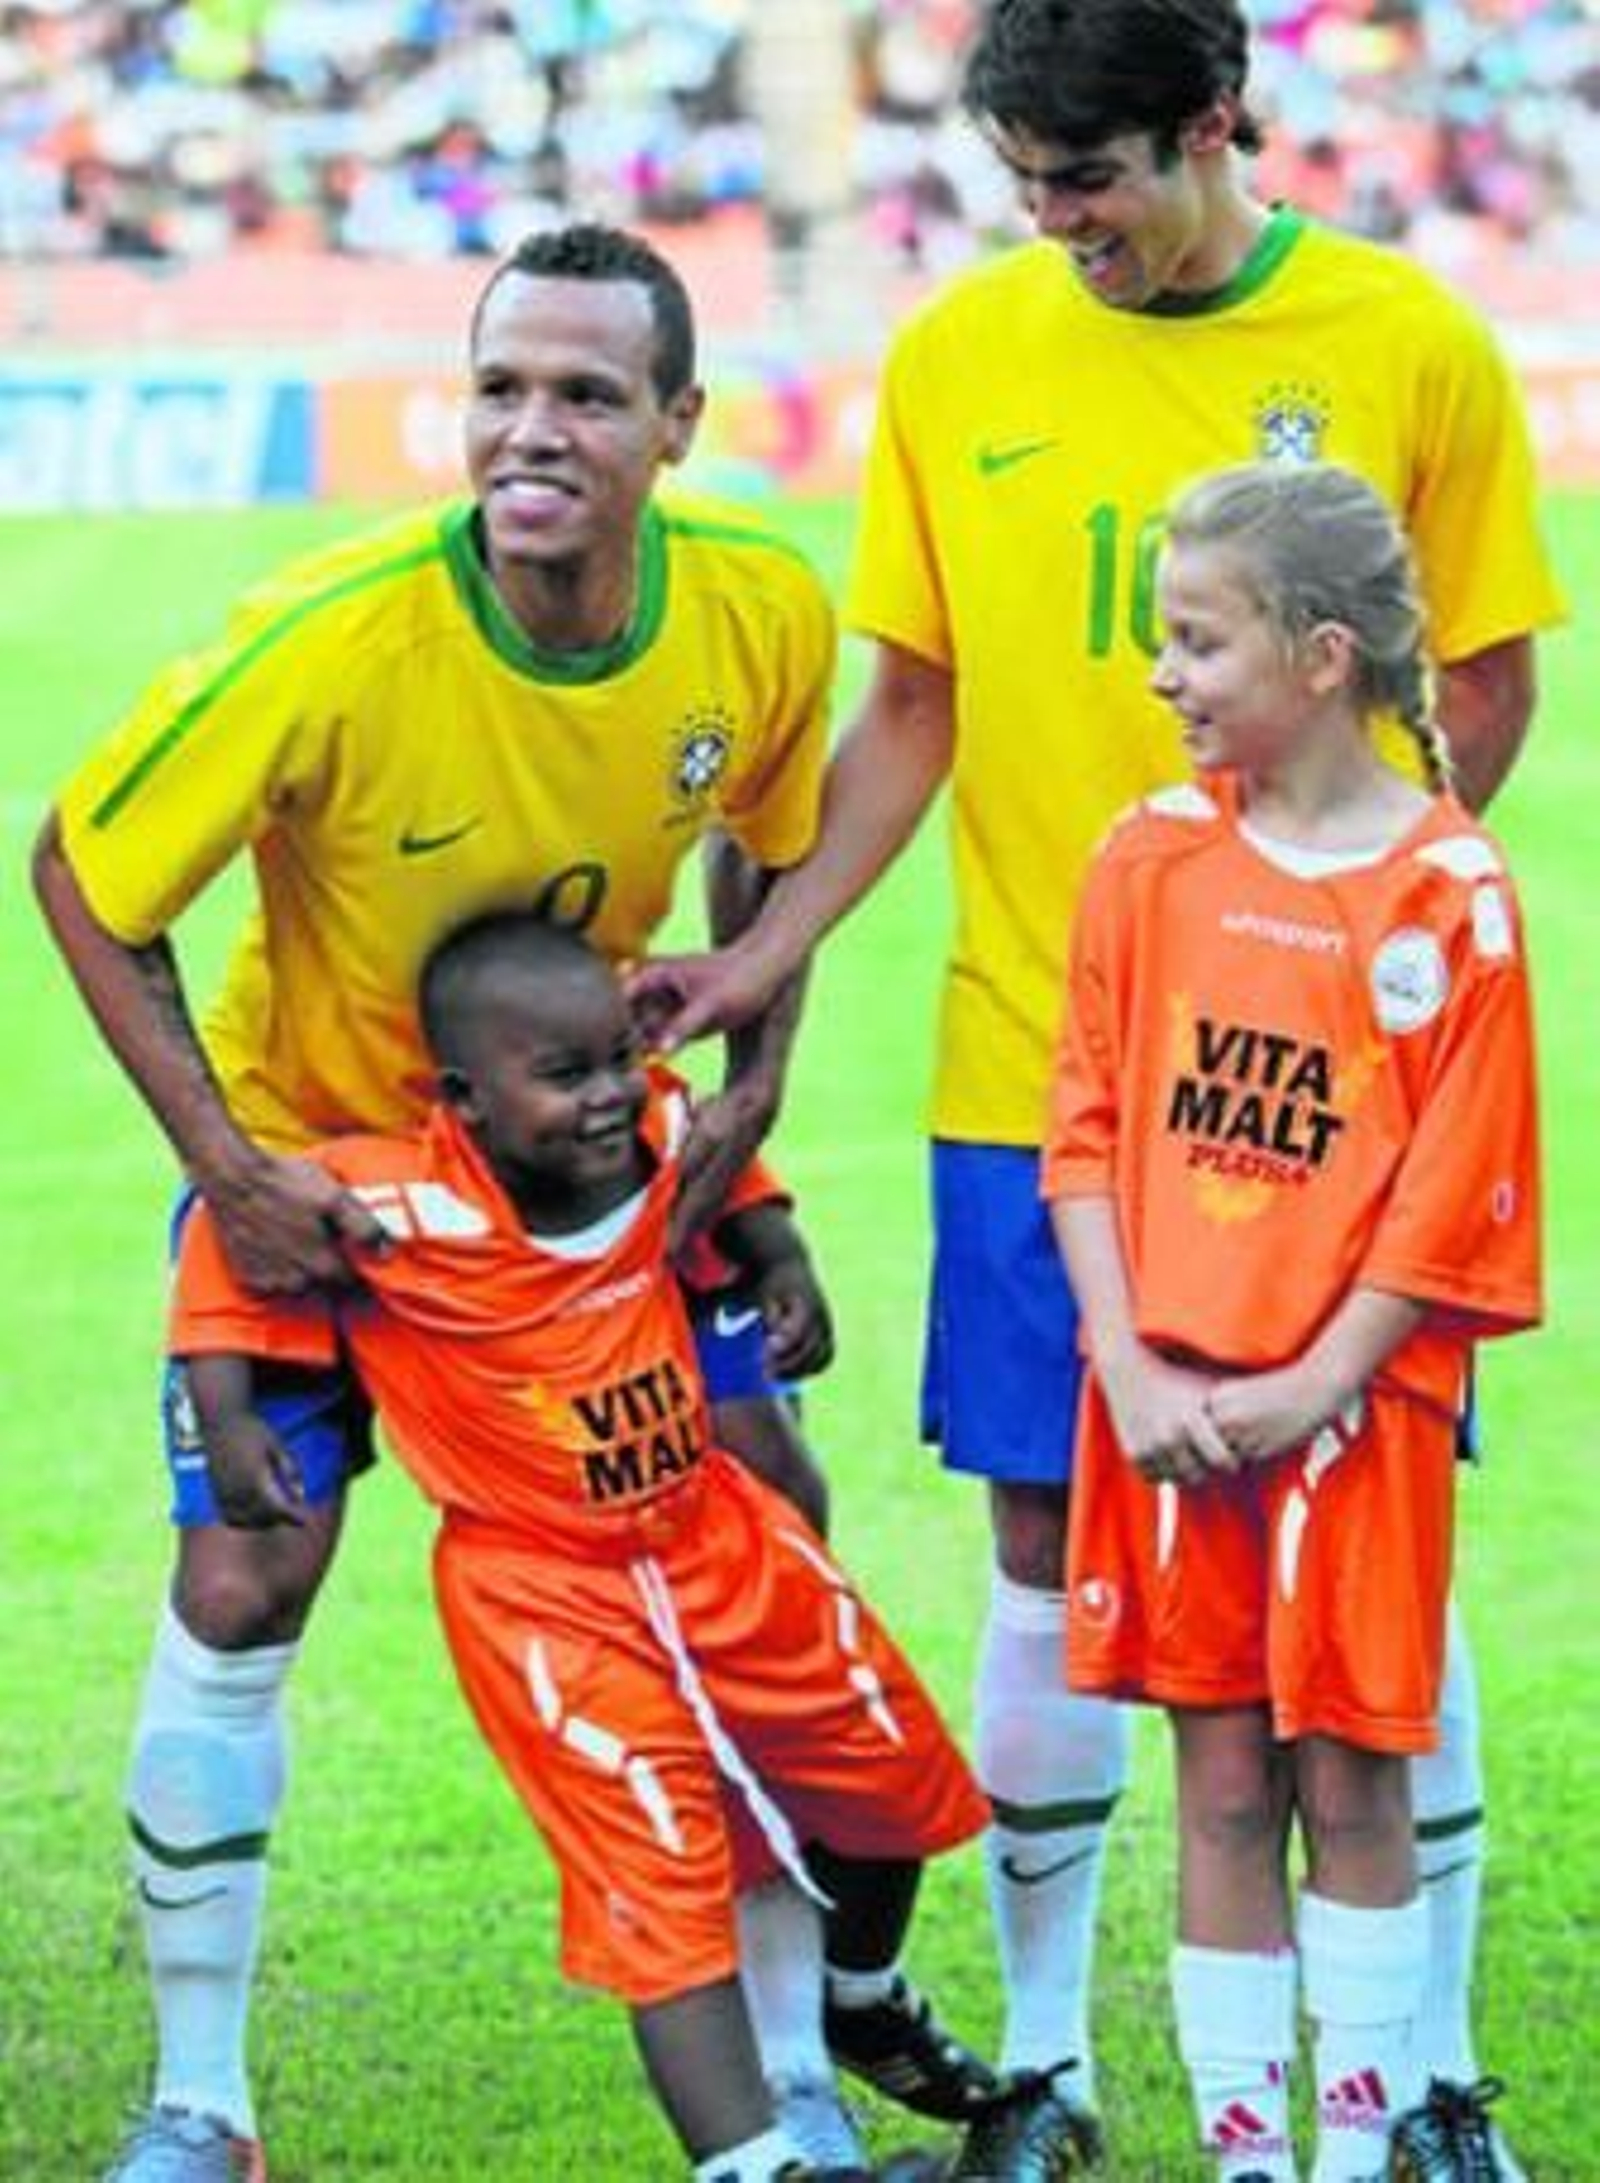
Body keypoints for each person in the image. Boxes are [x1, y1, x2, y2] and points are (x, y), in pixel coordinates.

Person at [629, 4, 1565, 2173]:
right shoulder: (962, 356)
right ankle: (1045, 2059)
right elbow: (906, 704)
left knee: (1370, 1559)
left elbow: (1484, 679)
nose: (1057, 229)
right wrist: (769, 951)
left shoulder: (1403, 337)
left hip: (1312, 1100)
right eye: (1024, 184)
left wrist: (1340, 931)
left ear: (1212, 125)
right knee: (1047, 1541)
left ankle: (1418, 2077)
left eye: (1093, 182)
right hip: (1026, 1066)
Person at [34, 222, 990, 2182]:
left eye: (580, 393)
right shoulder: (334, 633)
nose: (526, 430)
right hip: (329, 1179)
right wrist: (232, 1173)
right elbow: (84, 872)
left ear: (675, 424)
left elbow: (765, 855)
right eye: (497, 387)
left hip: (585, 1168)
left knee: (763, 1497)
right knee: (244, 1574)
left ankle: (799, 2068)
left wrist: (756, 1098)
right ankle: (199, 2100)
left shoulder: (749, 609)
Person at [167, 910, 991, 2183]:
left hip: (718, 1541)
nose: (610, 1094)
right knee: (659, 1869)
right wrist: (226, 1420)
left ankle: (860, 1990)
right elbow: (228, 1239)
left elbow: (736, 1182)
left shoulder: (658, 1126)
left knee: (893, 1783)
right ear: (465, 1098)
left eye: (617, 1055)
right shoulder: (391, 1199)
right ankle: (755, 2162)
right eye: (565, 1075)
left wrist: (784, 1260)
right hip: (547, 1595)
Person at [1044, 460, 1542, 2181]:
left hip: (1354, 1413)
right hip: (1169, 1404)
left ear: (1323, 657)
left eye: (1198, 639)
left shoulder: (1451, 892)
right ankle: (1250, 2154)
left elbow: (1459, 1183)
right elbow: (1088, 1119)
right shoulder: (1149, 856)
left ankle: (1359, 2147)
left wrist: (1325, 1373)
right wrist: (1124, 1354)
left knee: (1354, 1784)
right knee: (1225, 1783)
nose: (1165, 674)